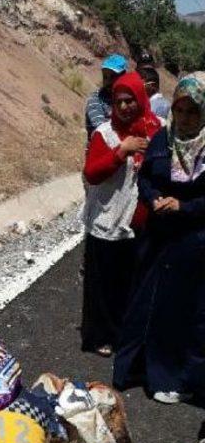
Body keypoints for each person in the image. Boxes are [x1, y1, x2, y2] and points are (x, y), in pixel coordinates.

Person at [114, 73, 205, 404]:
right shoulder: (162, 140)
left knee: (184, 311)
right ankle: (140, 370)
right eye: (180, 111)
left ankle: (179, 378)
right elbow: (146, 179)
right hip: (157, 239)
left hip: (192, 243)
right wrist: (153, 199)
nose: (184, 118)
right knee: (146, 303)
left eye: (193, 112)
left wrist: (184, 205)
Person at [81, 72, 161, 356]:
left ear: (141, 99)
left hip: (141, 223)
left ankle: (129, 334)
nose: (125, 107)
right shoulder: (105, 133)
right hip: (107, 218)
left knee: (133, 282)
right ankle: (101, 336)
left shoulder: (156, 130)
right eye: (119, 102)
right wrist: (121, 151)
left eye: (130, 101)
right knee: (104, 284)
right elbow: (92, 173)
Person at [85, 53, 128, 142]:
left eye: (113, 77)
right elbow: (102, 130)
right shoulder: (96, 99)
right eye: (105, 77)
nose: (108, 81)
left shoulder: (128, 98)